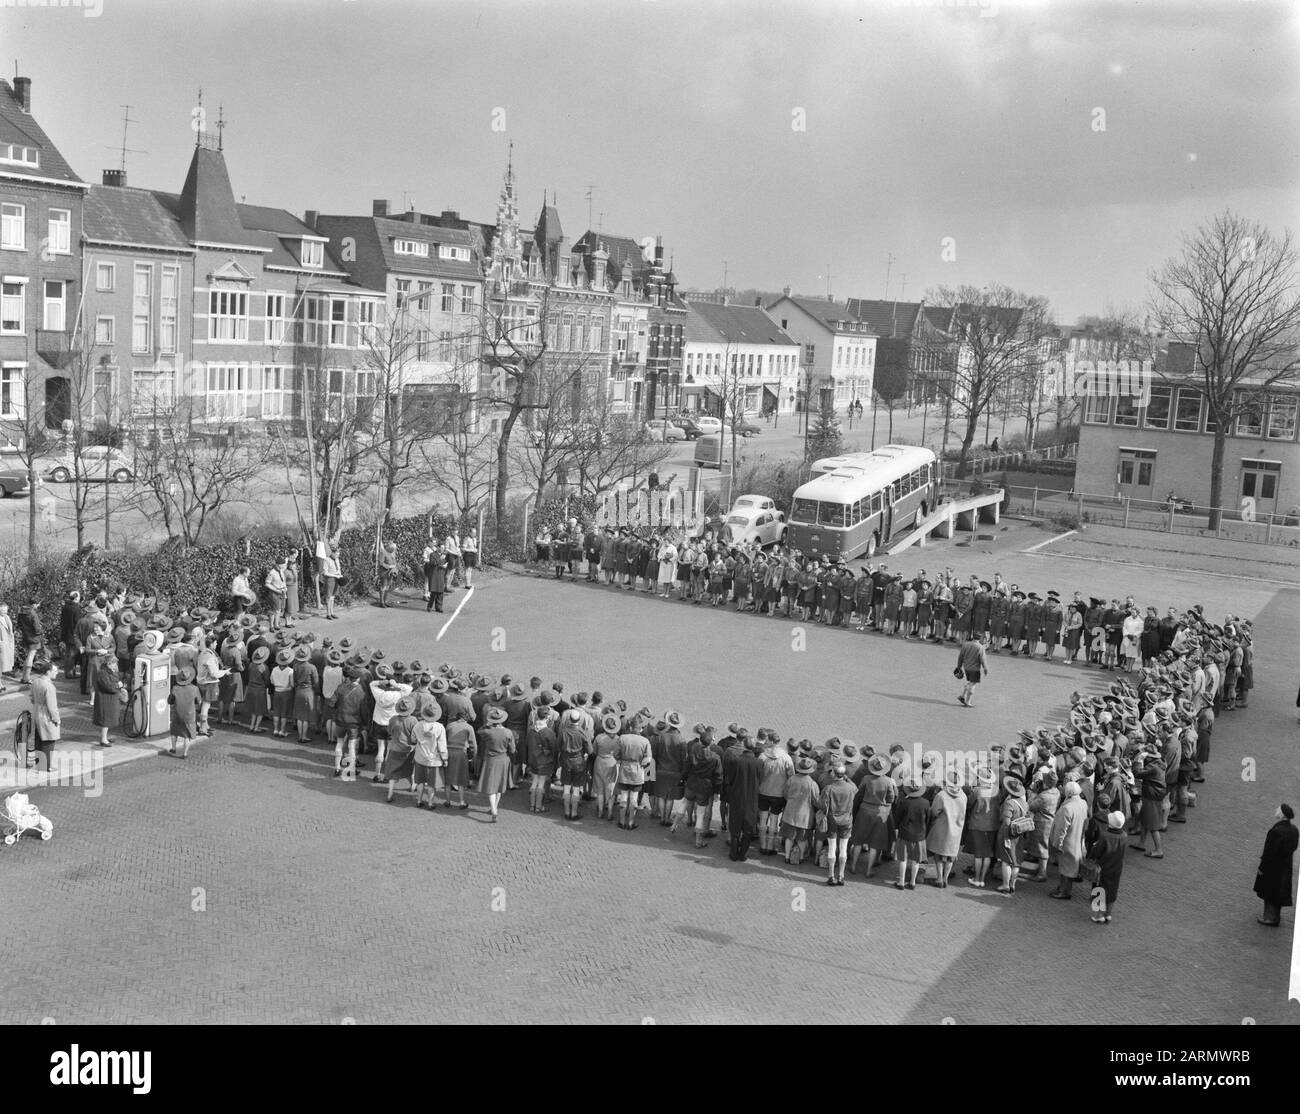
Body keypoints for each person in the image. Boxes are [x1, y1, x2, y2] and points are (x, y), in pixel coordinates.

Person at [1254, 803, 1298, 926]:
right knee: (1279, 893)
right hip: (1285, 867)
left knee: (1270, 892)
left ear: (1282, 815)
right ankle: (1275, 916)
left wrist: (1262, 868)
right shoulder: (1294, 830)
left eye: (1278, 809)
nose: (1276, 810)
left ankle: (1270, 918)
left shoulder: (1276, 831)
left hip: (1273, 868)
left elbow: (1269, 852)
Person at [1086, 811, 1129, 924]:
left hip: (1103, 867)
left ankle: (1098, 915)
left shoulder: (1105, 835)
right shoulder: (1124, 835)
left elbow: (1097, 851)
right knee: (1112, 891)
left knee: (1099, 889)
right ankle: (1108, 914)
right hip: (1117, 867)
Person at [1048, 780, 1089, 900]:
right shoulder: (1083, 803)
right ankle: (1063, 888)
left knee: (1066, 868)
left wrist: (1057, 845)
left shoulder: (1067, 808)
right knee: (1070, 867)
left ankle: (1064, 891)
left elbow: (1061, 830)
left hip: (1068, 842)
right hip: (1077, 839)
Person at [926, 772, 967, 888]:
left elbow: (934, 811)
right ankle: (945, 878)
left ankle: (939, 879)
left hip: (941, 827)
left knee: (938, 854)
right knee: (950, 856)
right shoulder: (963, 796)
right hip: (957, 829)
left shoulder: (941, 795)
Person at [477, 705, 515, 821]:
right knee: (500, 784)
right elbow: (512, 750)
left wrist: (486, 724)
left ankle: (493, 809)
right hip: (503, 759)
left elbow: (479, 731)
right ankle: (495, 808)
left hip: (491, 760)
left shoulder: (487, 732)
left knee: (491, 786)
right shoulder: (508, 732)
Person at [820, 762, 855, 885]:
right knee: (843, 848)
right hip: (846, 820)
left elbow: (823, 806)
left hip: (832, 820)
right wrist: (846, 778)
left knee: (832, 847)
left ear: (834, 774)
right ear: (843, 774)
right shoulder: (850, 788)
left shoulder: (828, 788)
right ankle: (841, 875)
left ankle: (831, 876)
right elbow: (856, 789)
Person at [892, 779, 930, 890]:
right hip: (919, 835)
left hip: (905, 834)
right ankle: (912, 882)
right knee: (916, 860)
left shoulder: (904, 802)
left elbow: (897, 818)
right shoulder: (926, 803)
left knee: (903, 859)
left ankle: (901, 882)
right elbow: (928, 819)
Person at [614, 725, 652, 831]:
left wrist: (622, 759)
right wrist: (640, 764)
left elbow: (616, 754)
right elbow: (648, 759)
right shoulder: (645, 741)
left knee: (623, 797)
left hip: (624, 769)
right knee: (634, 799)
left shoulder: (622, 738)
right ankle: (631, 823)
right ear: (640, 729)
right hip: (637, 771)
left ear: (630, 727)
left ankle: (621, 822)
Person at [996, 775, 1030, 894]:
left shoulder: (1009, 803)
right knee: (1016, 861)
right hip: (1019, 835)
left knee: (1006, 860)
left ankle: (1005, 885)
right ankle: (1013, 884)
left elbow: (1006, 822)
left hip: (1008, 834)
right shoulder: (1025, 803)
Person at [411, 703, 447, 809]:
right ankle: (430, 803)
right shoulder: (440, 727)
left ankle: (419, 800)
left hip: (420, 758)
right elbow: (442, 745)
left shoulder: (417, 725)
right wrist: (445, 759)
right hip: (434, 760)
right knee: (432, 784)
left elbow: (413, 740)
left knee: (420, 781)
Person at [167, 665, 202, 760]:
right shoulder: (194, 689)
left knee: (174, 731)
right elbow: (198, 701)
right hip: (189, 715)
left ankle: (173, 748)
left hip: (177, 714)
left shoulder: (175, 688)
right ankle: (185, 753)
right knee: (187, 735)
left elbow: (170, 701)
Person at [91, 655, 125, 748]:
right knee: (105, 720)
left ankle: (105, 737)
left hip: (110, 700)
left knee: (108, 720)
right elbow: (108, 686)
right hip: (105, 700)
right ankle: (103, 739)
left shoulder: (110, 671)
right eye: (114, 663)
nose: (115, 665)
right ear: (108, 663)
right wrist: (118, 685)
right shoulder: (102, 673)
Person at [268, 648, 296, 738]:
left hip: (277, 691)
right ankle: (282, 730)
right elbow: (292, 684)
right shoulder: (290, 671)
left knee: (276, 711)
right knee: (284, 712)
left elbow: (272, 681)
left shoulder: (274, 669)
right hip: (286, 692)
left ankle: (275, 729)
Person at [954, 634, 988, 707]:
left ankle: (962, 696)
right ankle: (968, 702)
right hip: (975, 669)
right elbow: (983, 659)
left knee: (971, 682)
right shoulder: (980, 647)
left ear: (973, 637)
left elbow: (961, 656)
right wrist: (985, 669)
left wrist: (959, 667)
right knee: (973, 685)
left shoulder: (966, 644)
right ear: (980, 638)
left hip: (966, 668)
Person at [245, 645, 271, 735]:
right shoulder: (264, 667)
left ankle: (251, 726)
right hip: (260, 690)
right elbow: (267, 680)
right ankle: (256, 727)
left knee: (253, 710)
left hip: (251, 688)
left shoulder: (251, 665)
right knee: (260, 711)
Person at [422, 541, 450, 614]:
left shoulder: (444, 555)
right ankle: (430, 606)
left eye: (443, 548)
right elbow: (433, 563)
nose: (442, 549)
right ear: (437, 547)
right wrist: (440, 559)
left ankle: (439, 607)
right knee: (434, 592)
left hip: (441, 574)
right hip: (434, 575)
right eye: (441, 547)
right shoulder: (432, 554)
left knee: (440, 592)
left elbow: (446, 563)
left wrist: (446, 565)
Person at [319, 545, 342, 620]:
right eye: (336, 554)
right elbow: (325, 573)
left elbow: (338, 568)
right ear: (332, 553)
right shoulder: (327, 560)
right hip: (330, 580)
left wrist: (339, 573)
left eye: (338, 555)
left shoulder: (337, 559)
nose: (337, 556)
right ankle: (328, 614)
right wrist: (335, 575)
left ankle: (332, 613)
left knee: (333, 597)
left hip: (336, 580)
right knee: (328, 597)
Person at [264, 560, 287, 630]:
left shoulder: (281, 571)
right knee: (273, 610)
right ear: (278, 564)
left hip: (282, 592)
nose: (284, 565)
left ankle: (276, 624)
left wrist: (285, 587)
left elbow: (283, 581)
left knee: (279, 609)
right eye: (283, 564)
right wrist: (276, 590)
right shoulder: (272, 572)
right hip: (274, 593)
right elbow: (267, 583)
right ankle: (271, 626)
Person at [377, 541, 399, 608]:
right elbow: (380, 563)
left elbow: (394, 561)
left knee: (388, 586)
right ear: (389, 547)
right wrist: (389, 566)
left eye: (394, 550)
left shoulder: (392, 552)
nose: (393, 551)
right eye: (392, 549)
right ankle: (381, 602)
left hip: (391, 572)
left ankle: (385, 601)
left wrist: (394, 567)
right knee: (383, 586)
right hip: (384, 572)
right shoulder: (383, 552)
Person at [0, 601, 14, 691]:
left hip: (6, 645)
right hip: (1, 644)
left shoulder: (7, 618)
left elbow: (10, 631)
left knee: (1, 665)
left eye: (6, 610)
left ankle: (0, 683)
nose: (4, 612)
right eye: (2, 610)